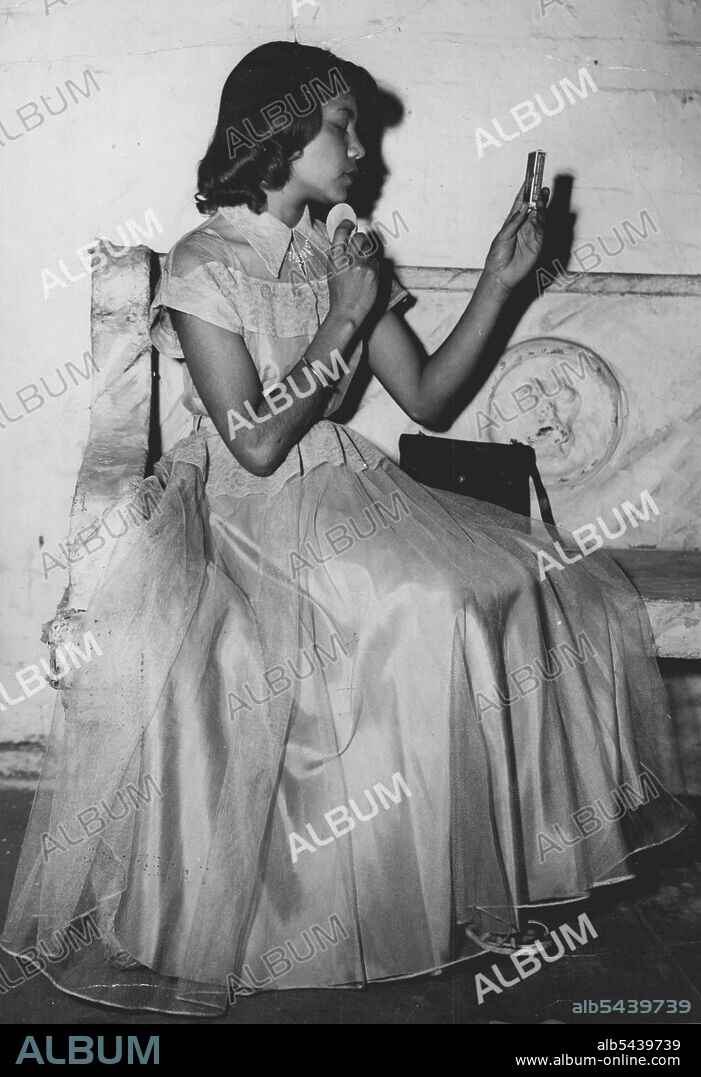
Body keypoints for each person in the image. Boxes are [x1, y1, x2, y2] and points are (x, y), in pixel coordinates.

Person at [1, 41, 689, 1017]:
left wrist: (503, 282)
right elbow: (252, 444)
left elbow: (432, 398)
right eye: (341, 126)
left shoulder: (343, 246)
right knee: (383, 612)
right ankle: (259, 916)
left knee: (473, 593)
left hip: (340, 486)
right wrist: (341, 319)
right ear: (278, 130)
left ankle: (429, 882)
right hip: (238, 510)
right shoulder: (207, 263)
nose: (359, 148)